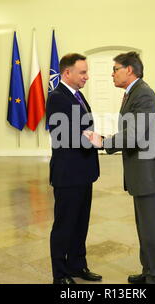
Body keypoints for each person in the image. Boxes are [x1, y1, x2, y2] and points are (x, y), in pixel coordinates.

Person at [84, 51, 155, 284]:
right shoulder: (132, 92)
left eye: (115, 69)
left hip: (149, 171)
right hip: (141, 171)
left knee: (153, 228)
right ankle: (149, 271)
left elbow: (133, 136)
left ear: (129, 70)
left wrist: (103, 141)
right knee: (144, 226)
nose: (112, 74)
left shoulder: (143, 94)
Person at [46, 53, 102, 284]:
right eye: (82, 72)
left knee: (80, 223)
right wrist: (95, 140)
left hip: (84, 172)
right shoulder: (57, 97)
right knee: (64, 226)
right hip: (68, 173)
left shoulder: (77, 95)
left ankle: (78, 265)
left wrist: (92, 137)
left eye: (86, 72)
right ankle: (60, 274)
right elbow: (63, 135)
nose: (86, 77)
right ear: (67, 73)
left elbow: (82, 127)